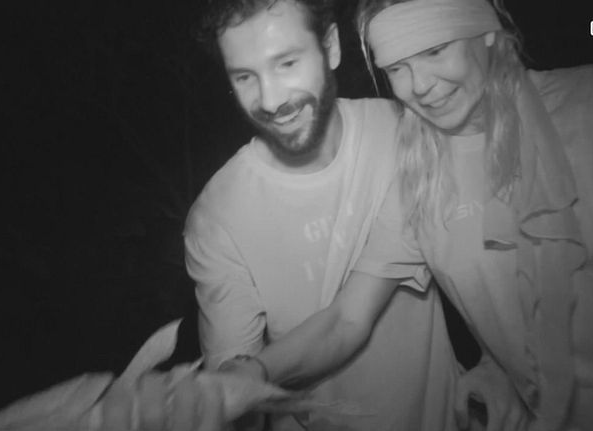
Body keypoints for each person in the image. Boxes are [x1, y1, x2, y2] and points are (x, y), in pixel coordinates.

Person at [238, 0, 593, 430]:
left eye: (435, 50)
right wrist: (249, 373)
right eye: (398, 67)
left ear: (484, 30)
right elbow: (346, 319)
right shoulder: (416, 174)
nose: (420, 86)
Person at [183, 0, 464, 430]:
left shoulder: (405, 130)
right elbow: (236, 395)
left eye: (287, 63)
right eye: (245, 77)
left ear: (330, 46)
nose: (271, 100)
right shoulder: (216, 217)